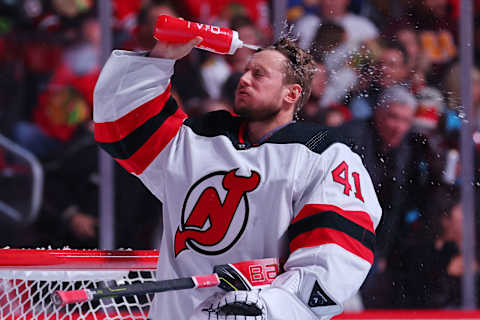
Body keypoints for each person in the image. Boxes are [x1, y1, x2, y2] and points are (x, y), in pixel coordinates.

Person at [93, 35, 381, 319]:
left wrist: (272, 306)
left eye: (259, 74)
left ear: (291, 94)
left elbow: (335, 252)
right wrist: (161, 56)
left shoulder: (323, 154)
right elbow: (119, 125)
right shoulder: (196, 137)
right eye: (245, 71)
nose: (244, 79)